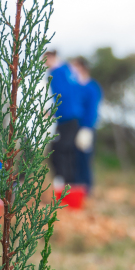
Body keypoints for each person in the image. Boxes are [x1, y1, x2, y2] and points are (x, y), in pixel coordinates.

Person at [44, 49, 81, 186]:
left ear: (51, 57)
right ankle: (69, 183)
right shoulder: (68, 70)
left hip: (65, 117)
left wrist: (50, 111)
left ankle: (63, 183)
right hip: (72, 117)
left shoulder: (56, 73)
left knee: (58, 150)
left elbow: (61, 95)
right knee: (68, 151)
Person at [70, 56, 102, 191]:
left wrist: (87, 128)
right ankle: (76, 192)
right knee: (74, 161)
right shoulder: (75, 86)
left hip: (86, 128)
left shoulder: (92, 87)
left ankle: (87, 191)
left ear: (82, 68)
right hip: (73, 127)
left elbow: (92, 110)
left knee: (84, 160)